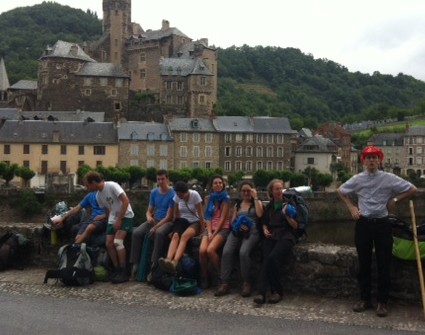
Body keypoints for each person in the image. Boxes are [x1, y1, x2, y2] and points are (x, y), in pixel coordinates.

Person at [338, 145, 416, 317]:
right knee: (364, 263)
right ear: (364, 161)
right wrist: (351, 208)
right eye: (368, 157)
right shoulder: (358, 179)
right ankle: (365, 299)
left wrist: (395, 198)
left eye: (374, 157)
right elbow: (341, 191)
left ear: (380, 160)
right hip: (363, 224)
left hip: (382, 224)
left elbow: (412, 189)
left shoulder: (389, 178)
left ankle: (382, 302)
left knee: (384, 264)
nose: (371, 160)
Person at [253, 179, 299, 305]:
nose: (279, 191)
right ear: (271, 192)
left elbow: (296, 226)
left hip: (286, 236)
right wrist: (264, 228)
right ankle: (261, 293)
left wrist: (288, 216)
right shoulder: (270, 206)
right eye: (276, 189)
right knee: (266, 260)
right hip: (272, 236)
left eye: (280, 189)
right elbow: (264, 221)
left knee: (273, 258)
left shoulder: (289, 204)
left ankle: (277, 291)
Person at [215, 181, 264, 297]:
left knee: (243, 253)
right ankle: (225, 283)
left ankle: (247, 282)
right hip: (237, 231)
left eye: (248, 190)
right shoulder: (238, 204)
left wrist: (255, 197)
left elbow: (260, 214)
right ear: (240, 192)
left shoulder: (257, 203)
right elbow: (232, 221)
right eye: (244, 191)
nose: (246, 193)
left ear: (252, 191)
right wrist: (238, 223)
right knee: (226, 252)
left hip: (252, 231)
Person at [84, 171, 135, 284]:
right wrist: (103, 217)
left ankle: (123, 270)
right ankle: (116, 269)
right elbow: (108, 210)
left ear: (93, 182)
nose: (87, 188)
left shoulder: (112, 185)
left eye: (88, 185)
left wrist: (119, 219)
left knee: (118, 242)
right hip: (113, 218)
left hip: (125, 216)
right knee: (109, 243)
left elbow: (126, 201)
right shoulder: (98, 195)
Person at [129, 169, 175, 279]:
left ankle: (154, 265)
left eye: (163, 179)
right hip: (155, 219)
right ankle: (135, 264)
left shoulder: (173, 194)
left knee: (158, 234)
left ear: (167, 179)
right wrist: (149, 217)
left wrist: (155, 227)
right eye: (158, 179)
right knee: (136, 232)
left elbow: (169, 216)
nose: (160, 181)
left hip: (166, 222)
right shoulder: (154, 192)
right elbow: (149, 210)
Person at [158, 181, 205, 274]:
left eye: (181, 194)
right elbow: (176, 214)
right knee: (175, 235)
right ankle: (168, 259)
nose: (180, 196)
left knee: (184, 236)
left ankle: (174, 262)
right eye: (178, 194)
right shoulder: (177, 197)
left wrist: (202, 228)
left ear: (185, 192)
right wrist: (174, 228)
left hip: (194, 221)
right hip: (182, 220)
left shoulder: (194, 195)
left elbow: (200, 212)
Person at [51, 179, 107, 245]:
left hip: (103, 219)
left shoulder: (106, 193)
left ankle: (73, 248)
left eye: (87, 185)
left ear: (93, 184)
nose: (86, 188)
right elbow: (77, 208)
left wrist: (104, 216)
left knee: (89, 229)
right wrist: (62, 218)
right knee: (78, 237)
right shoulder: (90, 196)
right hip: (92, 219)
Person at [198, 175, 230, 289]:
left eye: (220, 183)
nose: (218, 185)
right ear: (212, 185)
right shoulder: (210, 198)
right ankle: (205, 277)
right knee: (202, 251)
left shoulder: (226, 198)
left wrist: (215, 233)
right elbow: (208, 217)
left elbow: (222, 219)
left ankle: (220, 276)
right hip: (210, 228)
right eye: (216, 183)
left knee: (210, 250)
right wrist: (210, 232)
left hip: (222, 228)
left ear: (223, 185)